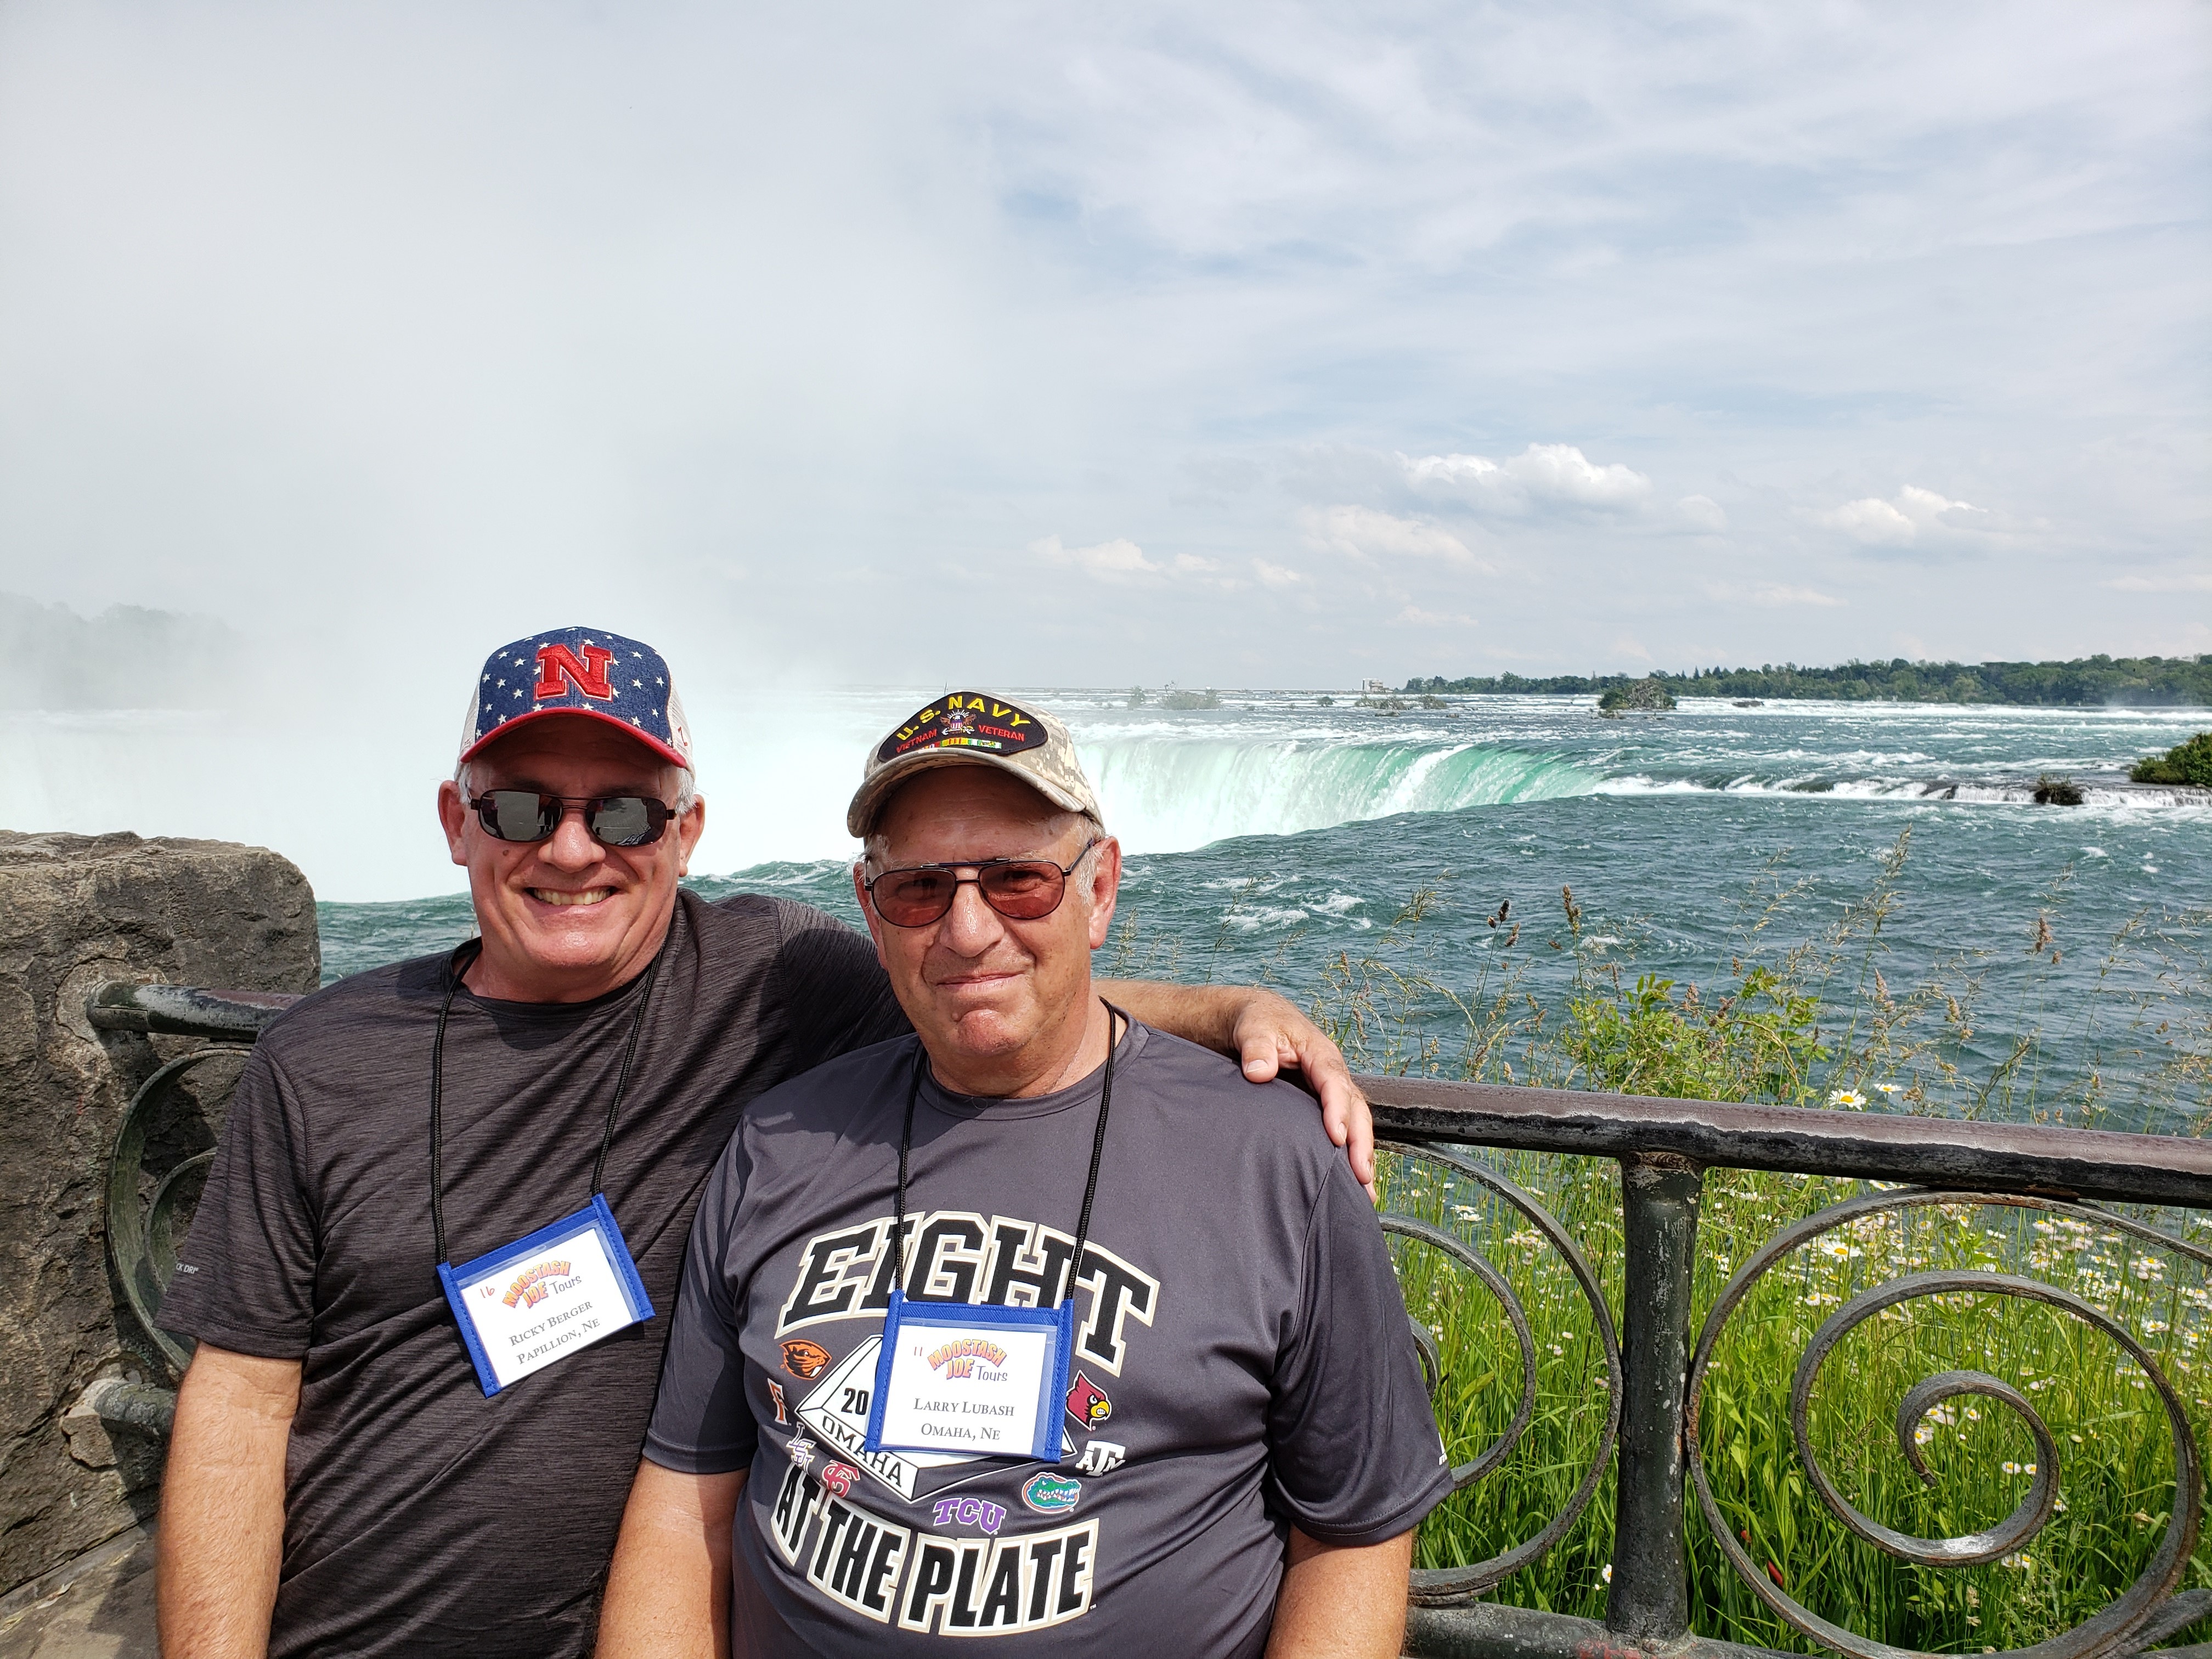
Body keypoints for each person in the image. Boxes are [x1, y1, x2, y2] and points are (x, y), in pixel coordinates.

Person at [155, 632, 1375, 1659]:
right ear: (454, 824)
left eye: (623, 810)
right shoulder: (322, 1059)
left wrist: (1228, 1011)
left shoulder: (772, 981)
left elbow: (992, 988)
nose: (572, 849)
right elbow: (239, 1404)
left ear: (685, 830)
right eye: (521, 808)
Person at [600, 691, 1448, 1656]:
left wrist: (1236, 1006)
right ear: (872, 913)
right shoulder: (777, 1142)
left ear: (1101, 890)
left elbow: (1353, 1533)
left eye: (1018, 880)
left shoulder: (1275, 1161)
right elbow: (687, 1507)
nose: (967, 930)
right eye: (920, 889)